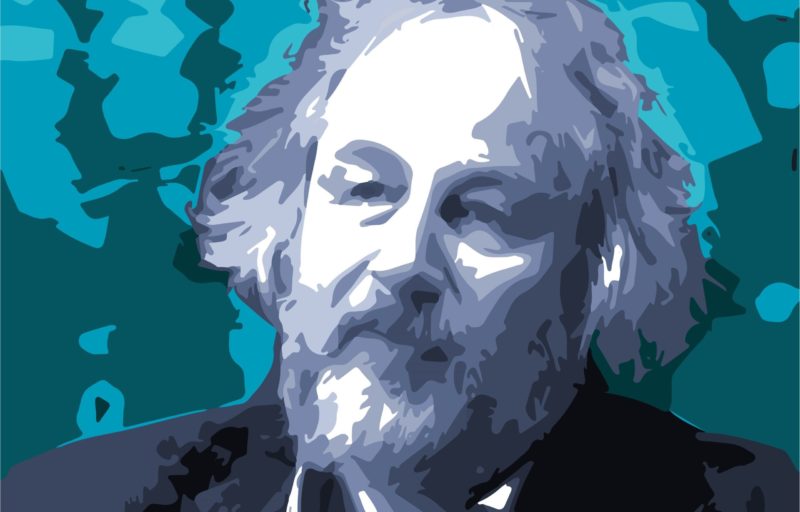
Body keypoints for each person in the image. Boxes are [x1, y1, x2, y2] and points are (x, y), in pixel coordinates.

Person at [4, 1, 797, 510]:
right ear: (284, 230)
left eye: (484, 211)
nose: (402, 259)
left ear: (599, 273)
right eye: (364, 189)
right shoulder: (67, 501)